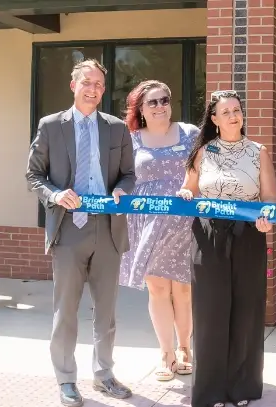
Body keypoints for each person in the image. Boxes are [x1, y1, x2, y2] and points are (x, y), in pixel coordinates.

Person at [25, 58, 135, 407]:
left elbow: (129, 175)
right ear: (74, 85)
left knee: (106, 312)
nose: (93, 89)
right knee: (66, 311)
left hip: (107, 228)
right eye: (86, 82)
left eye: (99, 84)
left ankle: (104, 374)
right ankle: (66, 379)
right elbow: (33, 176)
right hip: (69, 229)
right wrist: (56, 195)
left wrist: (122, 191)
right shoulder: (51, 125)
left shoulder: (117, 128)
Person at [176, 90, 276, 407]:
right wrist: (185, 195)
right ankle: (211, 391)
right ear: (215, 119)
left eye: (238, 110)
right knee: (210, 312)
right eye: (227, 111)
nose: (234, 115)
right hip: (208, 236)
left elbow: (270, 201)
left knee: (247, 311)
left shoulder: (259, 151)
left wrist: (267, 221)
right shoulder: (202, 152)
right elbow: (187, 189)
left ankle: (241, 388)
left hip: (248, 236)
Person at [117, 79, 200, 382]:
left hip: (184, 220)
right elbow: (122, 176)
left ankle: (185, 348)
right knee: (158, 288)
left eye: (164, 100)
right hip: (148, 222)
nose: (160, 106)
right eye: (152, 102)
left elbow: (201, 171)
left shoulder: (190, 133)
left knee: (183, 288)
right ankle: (165, 353)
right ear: (140, 107)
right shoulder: (131, 139)